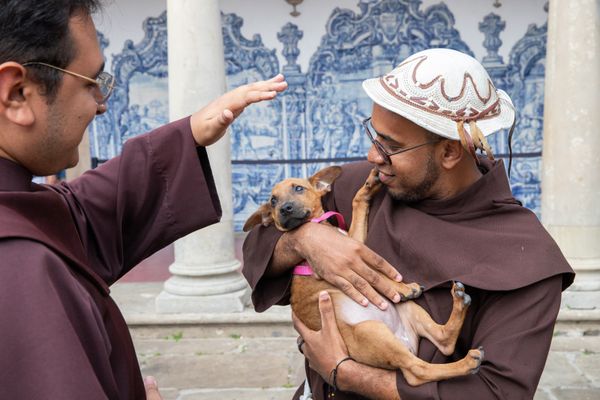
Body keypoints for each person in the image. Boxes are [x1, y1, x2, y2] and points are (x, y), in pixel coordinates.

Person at [242, 48, 574, 399]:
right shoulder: (363, 185)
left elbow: (496, 393)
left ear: (449, 152)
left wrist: (346, 373)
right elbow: (257, 246)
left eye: (390, 145)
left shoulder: (528, 257)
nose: (373, 156)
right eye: (374, 135)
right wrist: (304, 240)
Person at [0, 0, 287, 399]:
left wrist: (188, 134)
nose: (101, 104)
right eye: (89, 82)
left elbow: (74, 211)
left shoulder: (17, 210)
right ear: (16, 92)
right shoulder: (18, 265)